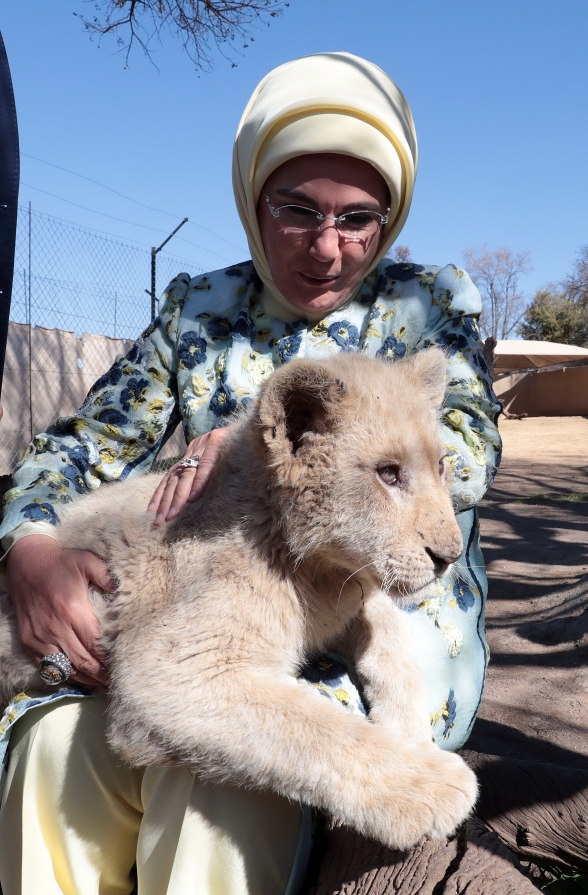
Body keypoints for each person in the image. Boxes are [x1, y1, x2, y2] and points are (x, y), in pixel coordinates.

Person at [0, 52, 501, 895]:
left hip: (369, 605)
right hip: (213, 603)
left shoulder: (429, 302)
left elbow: (462, 444)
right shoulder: (198, 312)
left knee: (221, 791)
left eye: (361, 217)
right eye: (297, 208)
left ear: (392, 215)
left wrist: (244, 438)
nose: (329, 246)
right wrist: (28, 544)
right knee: (54, 757)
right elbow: (77, 447)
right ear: (252, 196)